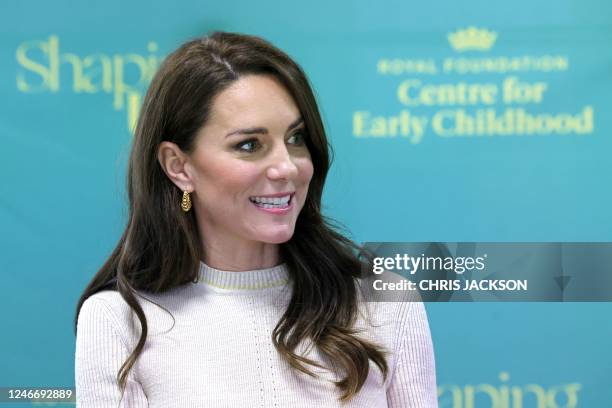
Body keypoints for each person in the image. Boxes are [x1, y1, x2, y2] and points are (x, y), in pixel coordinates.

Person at [74, 31, 438, 407]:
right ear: (179, 166)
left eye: (296, 138)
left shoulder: (383, 302)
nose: (287, 167)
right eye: (249, 145)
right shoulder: (119, 321)